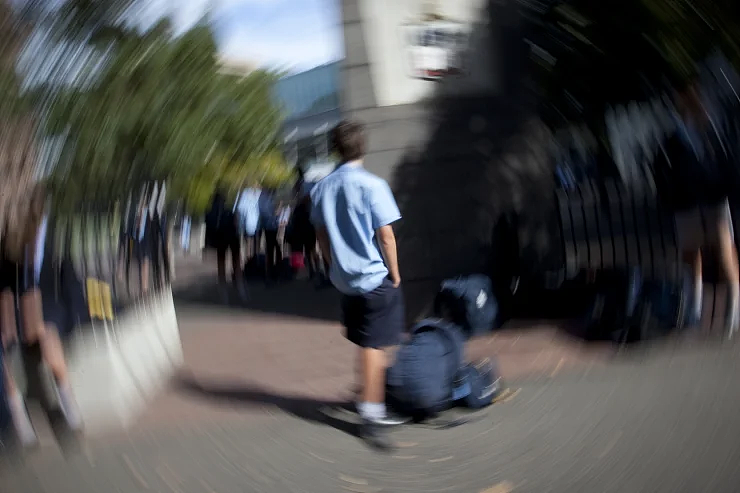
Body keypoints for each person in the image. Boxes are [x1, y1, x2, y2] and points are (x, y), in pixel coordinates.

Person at [310, 120, 408, 451]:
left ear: (337, 149)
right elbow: (386, 235)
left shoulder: (321, 188)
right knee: (374, 344)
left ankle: (367, 398)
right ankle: (372, 413)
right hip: (372, 276)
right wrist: (394, 273)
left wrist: (330, 265)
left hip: (344, 279)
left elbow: (321, 235)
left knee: (366, 340)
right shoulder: (373, 185)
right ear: (362, 146)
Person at [0, 183, 84, 452]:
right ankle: (19, 420)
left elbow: (68, 271)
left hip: (47, 301)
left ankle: (67, 404)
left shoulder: (55, 231)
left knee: (49, 338)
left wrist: (78, 313)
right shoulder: (11, 233)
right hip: (13, 299)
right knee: (4, 349)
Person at [654, 77, 739, 335]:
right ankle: (696, 308)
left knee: (722, 249)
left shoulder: (709, 126)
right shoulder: (677, 129)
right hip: (688, 199)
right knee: (692, 254)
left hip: (712, 196)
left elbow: (723, 157)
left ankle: (733, 308)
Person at [205, 190, 245, 300]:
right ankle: (239, 287)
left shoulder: (211, 210)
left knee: (221, 262)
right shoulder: (230, 208)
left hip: (220, 237)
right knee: (236, 261)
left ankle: (223, 290)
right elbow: (237, 223)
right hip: (231, 236)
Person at [259, 188, 282, 283]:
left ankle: (270, 271)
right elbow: (272, 213)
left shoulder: (262, 197)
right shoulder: (268, 198)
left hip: (267, 225)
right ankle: (272, 272)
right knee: (272, 248)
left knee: (271, 247)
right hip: (271, 226)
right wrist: (279, 207)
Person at [234, 183, 262, 263]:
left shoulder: (244, 193)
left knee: (249, 242)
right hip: (253, 223)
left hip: (250, 223)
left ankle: (250, 260)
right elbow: (238, 209)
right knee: (253, 242)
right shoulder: (246, 193)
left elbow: (237, 209)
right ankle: (253, 260)